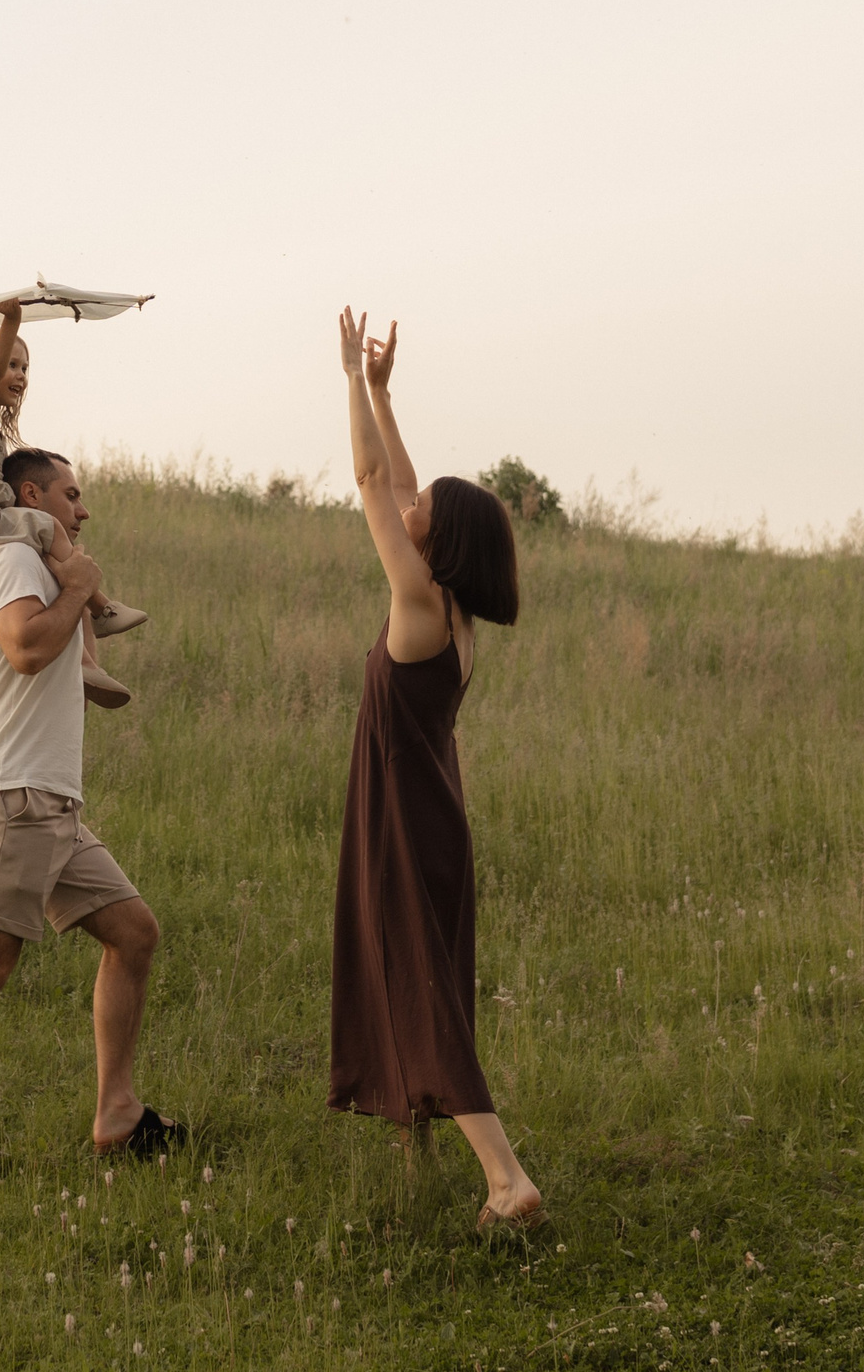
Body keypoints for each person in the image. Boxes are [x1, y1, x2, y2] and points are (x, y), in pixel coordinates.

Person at [0, 448, 183, 1183]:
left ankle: (117, 1111)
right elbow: (24, 647)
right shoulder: (15, 561)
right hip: (12, 797)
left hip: (49, 803)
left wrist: (81, 601)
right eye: (71, 495)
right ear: (31, 496)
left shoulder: (35, 564)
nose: (82, 510)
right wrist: (80, 586)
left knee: (135, 934)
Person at [328, 309, 544, 1230]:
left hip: (409, 829)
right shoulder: (445, 614)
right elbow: (404, 480)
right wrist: (382, 391)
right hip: (428, 820)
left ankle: (507, 1179)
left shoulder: (416, 605)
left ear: (437, 540)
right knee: (413, 977)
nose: (407, 510)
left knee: (423, 992)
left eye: (424, 515)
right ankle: (416, 1135)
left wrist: (344, 378)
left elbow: (375, 478)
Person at [0, 297, 146, 706]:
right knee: (50, 527)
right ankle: (103, 607)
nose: (19, 375)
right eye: (12, 364)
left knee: (54, 563)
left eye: (24, 368)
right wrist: (12, 320)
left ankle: (89, 661)